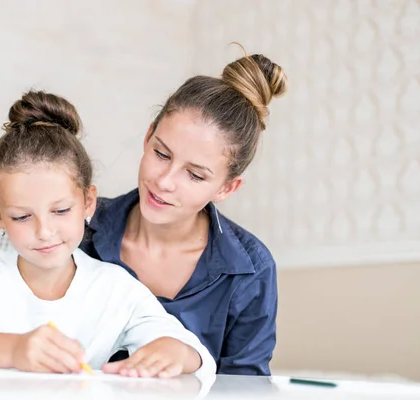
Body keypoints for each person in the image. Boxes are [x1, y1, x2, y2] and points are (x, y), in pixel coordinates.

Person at [0, 90, 216, 379]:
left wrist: (176, 350)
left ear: (88, 202)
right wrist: (14, 350)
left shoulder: (114, 287)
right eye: (21, 216)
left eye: (60, 211)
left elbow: (193, 353)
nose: (44, 232)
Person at [80, 51, 287, 375]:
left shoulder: (251, 270)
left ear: (226, 188)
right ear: (148, 137)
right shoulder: (79, 226)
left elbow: (245, 388)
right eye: (161, 154)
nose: (164, 182)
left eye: (195, 175)